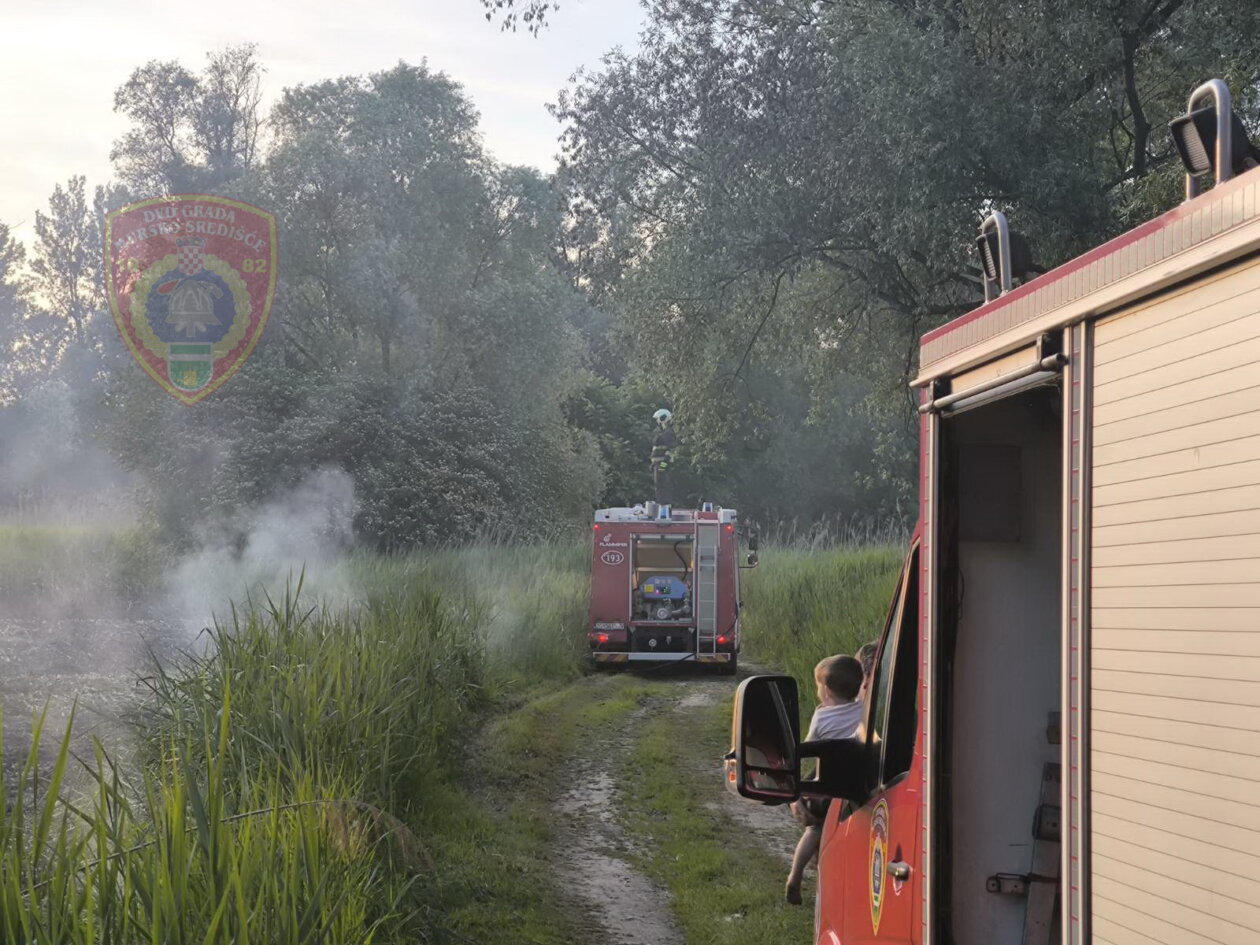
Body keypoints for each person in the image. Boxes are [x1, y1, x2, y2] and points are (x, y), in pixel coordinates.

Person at [785, 654, 865, 906]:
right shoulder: (864, 709)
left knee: (814, 829)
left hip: (825, 786)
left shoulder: (822, 716)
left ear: (826, 690)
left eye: (818, 686)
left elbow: (809, 747)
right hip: (853, 785)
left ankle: (795, 876)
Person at [650, 408, 678, 504]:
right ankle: (661, 503)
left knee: (662, 486)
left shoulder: (668, 433)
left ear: (662, 418)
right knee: (658, 486)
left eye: (658, 419)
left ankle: (664, 505)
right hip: (657, 464)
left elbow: (670, 451)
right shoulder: (663, 433)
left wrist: (662, 466)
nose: (657, 422)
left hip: (661, 464)